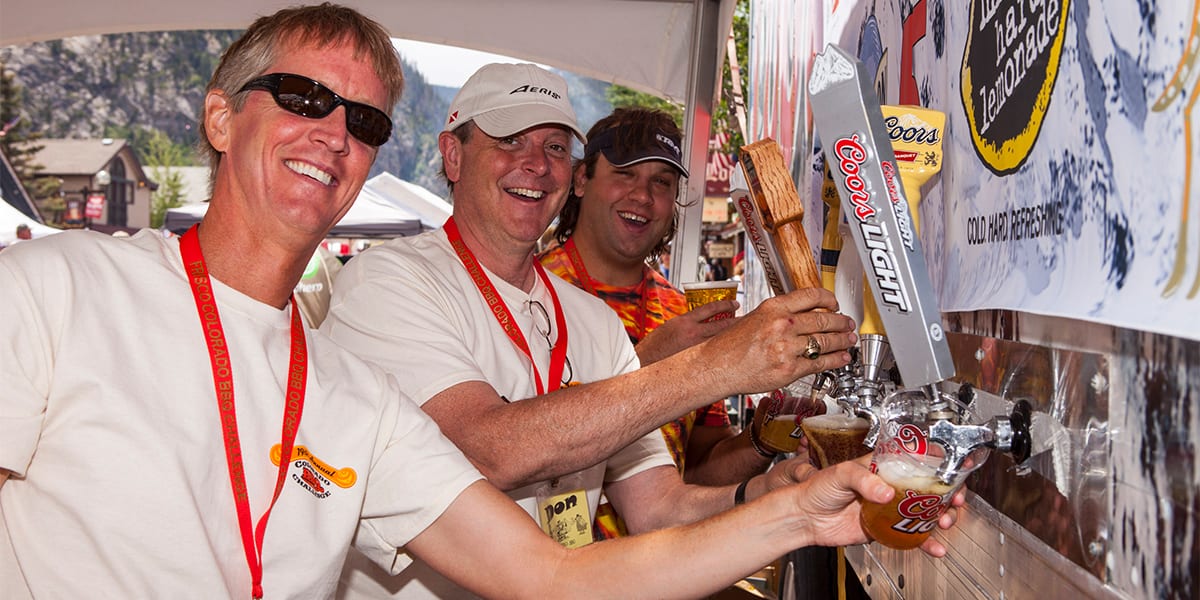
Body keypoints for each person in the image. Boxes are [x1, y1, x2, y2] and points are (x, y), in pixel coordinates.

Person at [0, 5, 958, 599]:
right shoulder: (58, 288)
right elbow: (490, 447)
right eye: (300, 97)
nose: (333, 135)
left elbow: (554, 575)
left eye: (365, 121)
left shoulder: (348, 396)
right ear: (219, 115)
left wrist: (798, 507)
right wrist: (716, 366)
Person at [322, 62, 958, 598]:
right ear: (453, 154)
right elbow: (489, 450)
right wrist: (719, 365)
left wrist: (775, 490)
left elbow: (660, 507)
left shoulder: (591, 320)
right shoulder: (389, 281)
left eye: (553, 148)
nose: (535, 165)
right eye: (510, 141)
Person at [538, 107, 799, 541]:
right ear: (581, 180)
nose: (642, 195)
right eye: (625, 173)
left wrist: (763, 438)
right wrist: (657, 359)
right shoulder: (531, 295)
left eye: (661, 181)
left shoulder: (682, 311)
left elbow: (696, 470)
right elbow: (519, 444)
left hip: (657, 569)